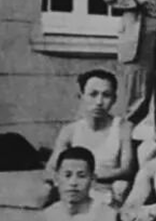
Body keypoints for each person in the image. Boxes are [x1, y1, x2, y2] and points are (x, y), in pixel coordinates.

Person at [42, 70, 133, 207]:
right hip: (75, 189)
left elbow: (127, 169)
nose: (99, 102)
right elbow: (51, 168)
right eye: (93, 94)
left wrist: (91, 177)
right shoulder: (70, 130)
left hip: (106, 190)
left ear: (114, 99)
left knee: (121, 187)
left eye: (106, 95)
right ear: (81, 96)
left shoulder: (123, 127)